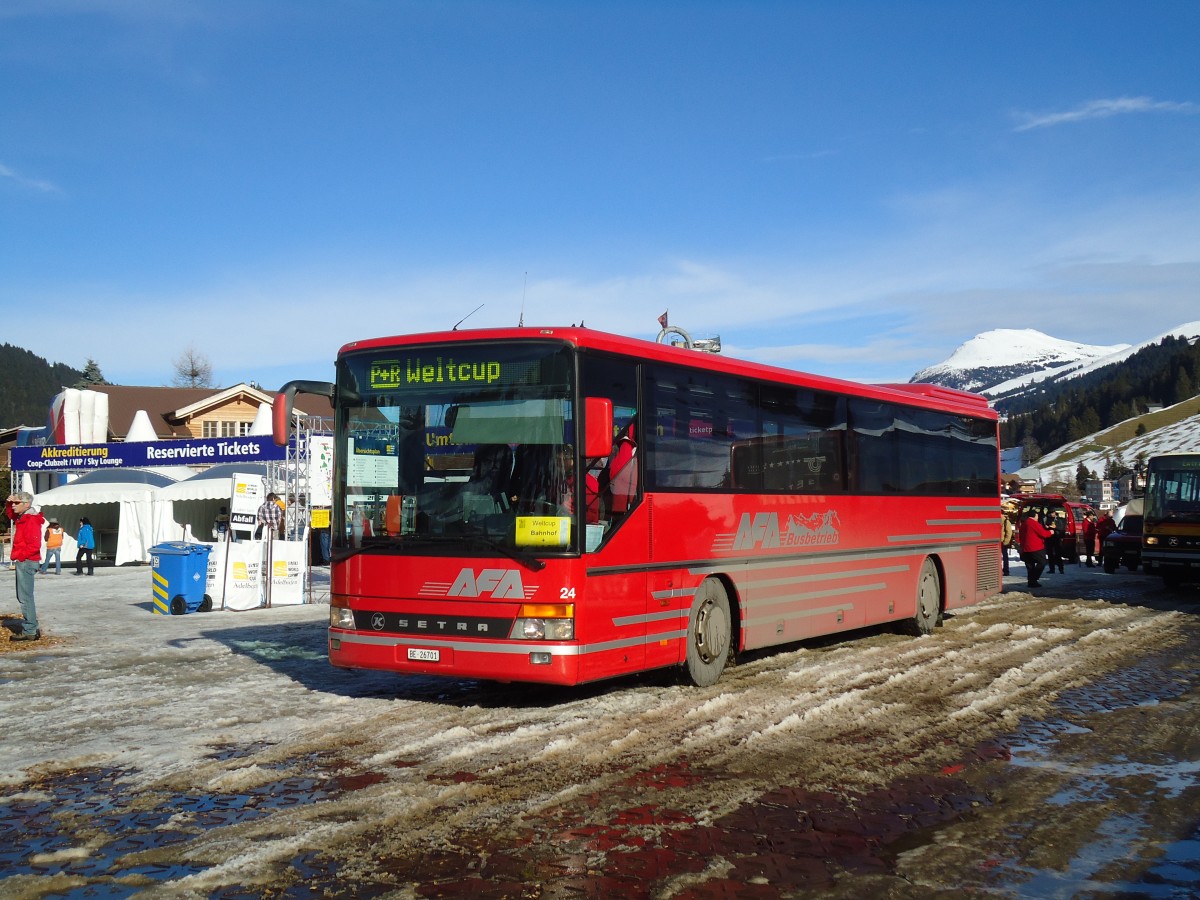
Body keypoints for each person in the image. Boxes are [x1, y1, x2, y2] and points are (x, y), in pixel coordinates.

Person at [5, 491, 45, 641]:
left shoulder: (30, 520)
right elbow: (10, 514)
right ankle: (31, 627)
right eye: (13, 503)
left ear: (27, 505)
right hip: (25, 560)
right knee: (24, 596)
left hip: (26, 561)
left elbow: (34, 545)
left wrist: (21, 557)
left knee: (24, 597)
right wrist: (9, 502)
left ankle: (30, 630)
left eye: (17, 503)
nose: (14, 505)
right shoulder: (23, 517)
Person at [1017, 507, 1052, 590]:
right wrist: (1050, 532)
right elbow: (1043, 534)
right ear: (1035, 515)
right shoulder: (1034, 523)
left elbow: (1021, 535)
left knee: (1030, 565)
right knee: (1042, 562)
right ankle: (1034, 578)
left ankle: (1031, 581)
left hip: (1025, 548)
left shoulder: (1024, 523)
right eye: (1037, 515)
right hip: (1036, 547)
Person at [1046, 508, 1067, 575]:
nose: (1051, 515)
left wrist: (1056, 527)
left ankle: (1061, 569)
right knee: (1050, 554)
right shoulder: (1047, 519)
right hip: (1049, 538)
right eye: (1050, 513)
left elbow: (1062, 528)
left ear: (1055, 513)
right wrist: (1047, 527)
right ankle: (1051, 569)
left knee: (1058, 554)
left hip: (1057, 538)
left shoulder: (1060, 519)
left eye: (1052, 513)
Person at [1000, 501, 1017, 576]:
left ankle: (1004, 570)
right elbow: (1009, 532)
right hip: (1003, 541)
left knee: (1001, 557)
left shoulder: (1004, 521)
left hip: (1001, 541)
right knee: (1004, 557)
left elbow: (1008, 532)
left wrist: (1005, 542)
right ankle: (1005, 570)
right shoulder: (1006, 521)